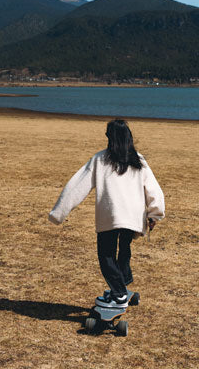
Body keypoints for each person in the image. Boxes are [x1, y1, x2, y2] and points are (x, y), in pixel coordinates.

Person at [48, 119, 165, 309]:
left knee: (106, 255)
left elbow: (76, 187)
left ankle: (118, 294)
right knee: (124, 250)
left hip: (110, 215)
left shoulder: (100, 160)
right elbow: (154, 190)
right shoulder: (138, 160)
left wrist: (58, 213)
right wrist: (155, 214)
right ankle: (123, 284)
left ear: (110, 138)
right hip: (133, 217)